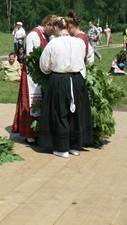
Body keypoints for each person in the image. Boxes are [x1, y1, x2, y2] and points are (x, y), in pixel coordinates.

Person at [38, 16, 92, 158]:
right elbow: (83, 60)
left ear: (56, 28)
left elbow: (44, 65)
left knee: (59, 112)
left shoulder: (53, 43)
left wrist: (50, 71)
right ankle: (75, 146)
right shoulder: (79, 42)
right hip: (77, 79)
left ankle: (62, 148)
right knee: (75, 113)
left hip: (59, 78)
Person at [12, 15, 55, 144]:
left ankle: (39, 130)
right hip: (32, 73)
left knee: (40, 103)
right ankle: (29, 133)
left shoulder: (46, 35)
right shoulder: (33, 35)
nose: (53, 32)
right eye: (52, 28)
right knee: (30, 103)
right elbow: (31, 56)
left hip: (42, 73)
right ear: (47, 24)